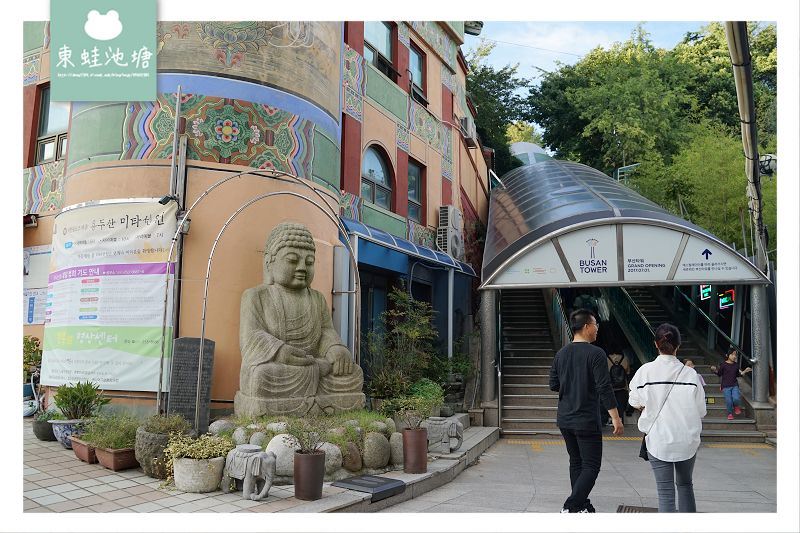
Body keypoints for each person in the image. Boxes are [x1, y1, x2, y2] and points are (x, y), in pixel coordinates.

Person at [236, 222, 364, 417]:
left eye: (309, 262)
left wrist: (335, 348)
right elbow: (251, 337)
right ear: (270, 261)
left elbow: (326, 333)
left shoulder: (317, 298)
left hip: (313, 365)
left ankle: (315, 391)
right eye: (292, 260)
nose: (302, 267)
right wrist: (281, 351)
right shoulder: (256, 296)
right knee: (261, 377)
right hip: (282, 368)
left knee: (354, 374)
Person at [549, 309, 623, 513]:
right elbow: (604, 387)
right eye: (596, 325)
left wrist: (572, 384)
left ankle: (580, 504)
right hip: (586, 419)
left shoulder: (561, 353)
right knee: (591, 466)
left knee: (576, 463)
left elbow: (553, 384)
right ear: (587, 327)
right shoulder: (596, 353)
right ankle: (571, 506)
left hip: (565, 419)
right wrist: (616, 417)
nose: (597, 329)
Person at [628, 323, 706, 513]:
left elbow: (633, 400)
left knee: (665, 491)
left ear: (656, 344)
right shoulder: (691, 375)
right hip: (687, 440)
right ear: (678, 346)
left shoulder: (645, 372)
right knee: (686, 485)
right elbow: (701, 410)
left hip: (659, 439)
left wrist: (647, 405)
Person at [710, 349, 752, 420]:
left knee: (736, 398)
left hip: (734, 385)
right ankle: (729, 413)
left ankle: (736, 406)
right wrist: (714, 370)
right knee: (729, 401)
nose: (734, 356)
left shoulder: (736, 365)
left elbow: (739, 375)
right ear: (728, 355)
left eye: (735, 355)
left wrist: (745, 371)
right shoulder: (723, 364)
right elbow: (719, 374)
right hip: (726, 386)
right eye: (732, 354)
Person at [606, 352, 631, 425]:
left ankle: (611, 421)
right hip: (622, 387)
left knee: (611, 404)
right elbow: (628, 372)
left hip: (610, 387)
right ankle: (620, 421)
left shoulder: (606, 359)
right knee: (620, 405)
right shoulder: (625, 359)